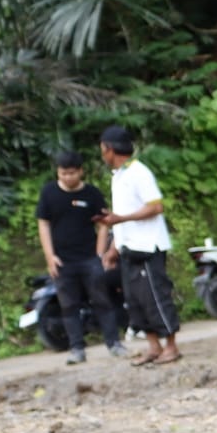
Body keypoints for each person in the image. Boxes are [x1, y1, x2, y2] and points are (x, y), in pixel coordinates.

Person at [96, 125, 183, 366]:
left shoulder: (139, 172)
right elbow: (120, 216)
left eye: (103, 149)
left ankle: (171, 346)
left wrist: (119, 219)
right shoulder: (119, 175)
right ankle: (153, 346)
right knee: (135, 300)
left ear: (110, 149)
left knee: (155, 296)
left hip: (147, 247)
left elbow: (155, 207)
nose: (102, 154)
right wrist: (114, 248)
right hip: (128, 248)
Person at [35, 150, 129, 364]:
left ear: (80, 171)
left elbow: (104, 222)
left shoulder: (92, 194)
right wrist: (50, 256)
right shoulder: (49, 193)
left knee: (102, 301)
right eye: (62, 173)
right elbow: (43, 224)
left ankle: (113, 343)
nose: (67, 177)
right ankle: (77, 348)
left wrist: (99, 253)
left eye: (71, 173)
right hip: (62, 260)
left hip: (89, 259)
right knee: (68, 305)